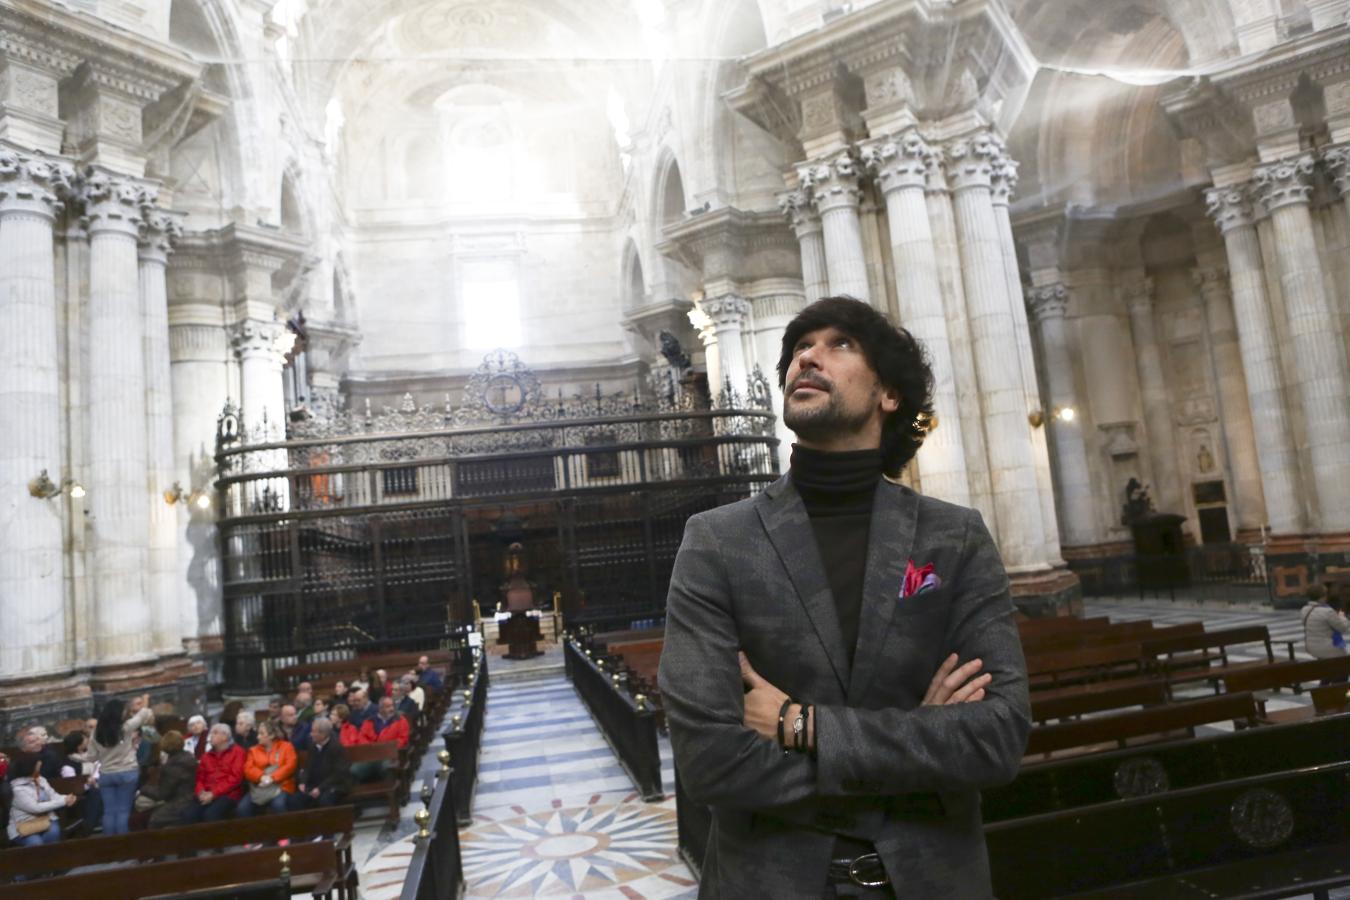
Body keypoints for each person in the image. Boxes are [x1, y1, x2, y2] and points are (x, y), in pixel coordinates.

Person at [659, 297, 1031, 898]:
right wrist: (917, 743)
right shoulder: (718, 540)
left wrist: (802, 726)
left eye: (840, 344)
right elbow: (708, 760)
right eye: (801, 346)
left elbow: (996, 737)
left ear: (889, 394)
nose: (808, 355)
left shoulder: (953, 535)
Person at [86, 694, 155, 836]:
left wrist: (106, 754)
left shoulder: (95, 733)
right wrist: (146, 700)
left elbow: (92, 757)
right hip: (127, 772)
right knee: (123, 810)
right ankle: (123, 848)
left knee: (109, 811)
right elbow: (143, 715)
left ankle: (111, 847)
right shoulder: (125, 728)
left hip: (106, 774)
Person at [6, 751, 75, 846]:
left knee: (54, 832)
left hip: (46, 818)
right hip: (24, 824)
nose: (40, 767)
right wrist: (63, 801)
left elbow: (53, 796)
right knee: (35, 842)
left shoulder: (41, 780)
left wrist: (67, 798)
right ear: (30, 768)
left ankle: (51, 858)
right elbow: (35, 808)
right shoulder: (17, 789)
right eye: (38, 765)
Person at [288, 718, 352, 810]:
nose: (311, 734)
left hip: (333, 785)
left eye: (314, 732)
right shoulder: (312, 745)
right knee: (294, 800)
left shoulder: (336, 747)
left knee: (324, 801)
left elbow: (338, 774)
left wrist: (320, 788)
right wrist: (303, 782)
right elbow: (308, 767)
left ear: (323, 734)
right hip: (314, 785)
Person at [138, 730, 198, 829]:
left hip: (179, 803)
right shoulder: (189, 758)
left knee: (154, 819)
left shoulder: (173, 766)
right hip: (189, 798)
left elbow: (162, 794)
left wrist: (143, 788)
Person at [237, 720, 297, 817]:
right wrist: (261, 777)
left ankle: (284, 831)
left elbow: (290, 766)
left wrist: (272, 777)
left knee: (278, 805)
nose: (257, 736)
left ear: (271, 735)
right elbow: (248, 769)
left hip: (281, 786)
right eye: (258, 733)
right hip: (259, 789)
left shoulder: (286, 747)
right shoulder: (253, 750)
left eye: (261, 733)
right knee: (242, 808)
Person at [189, 723, 245, 822]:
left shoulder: (237, 752)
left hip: (228, 794)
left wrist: (214, 793)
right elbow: (200, 778)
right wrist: (201, 792)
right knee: (189, 815)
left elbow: (235, 778)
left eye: (215, 733)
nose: (211, 736)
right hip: (206, 793)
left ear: (225, 737)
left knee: (210, 814)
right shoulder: (206, 756)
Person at [1302, 584, 1349, 684]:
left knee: (1329, 671)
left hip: (1311, 647)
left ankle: (1324, 690)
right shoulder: (1327, 611)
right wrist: (1342, 616)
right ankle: (1337, 693)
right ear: (1323, 596)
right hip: (1327, 648)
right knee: (1345, 666)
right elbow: (1343, 628)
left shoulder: (1305, 609)